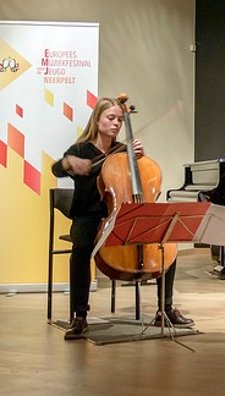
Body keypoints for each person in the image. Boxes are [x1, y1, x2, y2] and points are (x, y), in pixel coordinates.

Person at [51, 97, 194, 340]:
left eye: (119, 119)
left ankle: (165, 309)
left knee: (165, 241)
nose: (116, 123)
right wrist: (67, 162)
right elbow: (57, 169)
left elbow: (133, 180)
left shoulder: (122, 150)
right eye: (111, 118)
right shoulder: (80, 150)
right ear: (97, 120)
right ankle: (79, 315)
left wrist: (139, 158)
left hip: (120, 214)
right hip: (89, 215)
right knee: (82, 247)